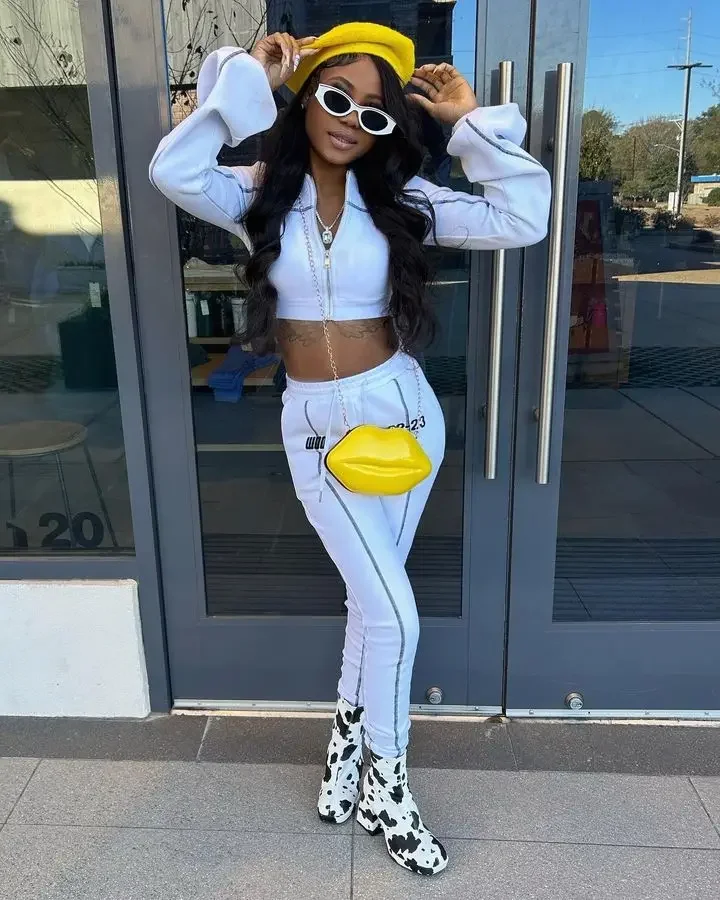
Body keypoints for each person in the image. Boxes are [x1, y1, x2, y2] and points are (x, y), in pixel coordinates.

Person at [150, 21, 551, 876]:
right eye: (337, 98)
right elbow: (172, 171)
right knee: (393, 613)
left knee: (374, 607)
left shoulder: (404, 200)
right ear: (306, 99)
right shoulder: (257, 191)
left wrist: (469, 122)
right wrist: (251, 81)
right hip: (317, 425)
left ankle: (347, 749)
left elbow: (523, 216)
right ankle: (387, 784)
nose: (350, 121)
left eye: (373, 113)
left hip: (403, 415)